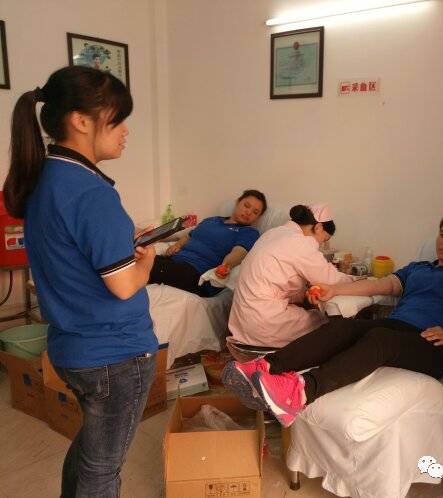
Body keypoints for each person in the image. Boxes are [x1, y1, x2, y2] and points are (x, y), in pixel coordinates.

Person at [3, 66, 157, 498]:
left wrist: (121, 246)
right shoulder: (91, 192)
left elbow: (74, 254)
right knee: (103, 468)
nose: (126, 131)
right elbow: (124, 286)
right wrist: (148, 263)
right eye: (118, 119)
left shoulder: (47, 178)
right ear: (81, 121)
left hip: (73, 348)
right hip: (114, 354)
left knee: (92, 450)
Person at [223, 214, 443, 426]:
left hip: (436, 346)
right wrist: (335, 289)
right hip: (400, 328)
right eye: (442, 235)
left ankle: (301, 391)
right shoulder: (418, 269)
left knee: (380, 338)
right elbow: (381, 285)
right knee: (343, 327)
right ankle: (265, 367)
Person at [227, 203, 354, 348]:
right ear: (318, 227)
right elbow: (333, 280)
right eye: (323, 240)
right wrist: (360, 280)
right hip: (264, 322)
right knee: (326, 323)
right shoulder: (301, 242)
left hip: (241, 321)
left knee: (308, 312)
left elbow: (276, 280)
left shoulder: (272, 233)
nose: (320, 245)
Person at [148, 189, 266, 297]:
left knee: (148, 267)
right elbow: (189, 235)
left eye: (255, 212)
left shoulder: (249, 232)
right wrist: (177, 245)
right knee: (142, 259)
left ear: (257, 217)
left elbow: (240, 252)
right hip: (175, 260)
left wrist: (226, 265)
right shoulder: (211, 220)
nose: (248, 212)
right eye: (246, 206)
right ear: (237, 202)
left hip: (196, 272)